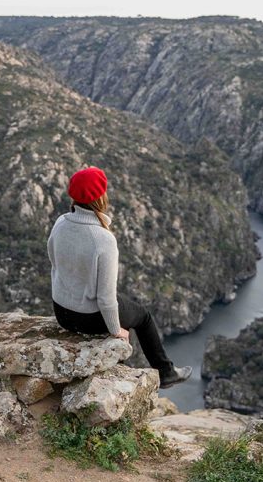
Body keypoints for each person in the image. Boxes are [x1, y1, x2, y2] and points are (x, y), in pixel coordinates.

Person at [48, 166, 192, 388]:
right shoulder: (103, 239)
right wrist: (116, 331)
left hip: (61, 312)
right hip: (89, 319)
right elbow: (105, 297)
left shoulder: (60, 223)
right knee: (143, 317)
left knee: (123, 306)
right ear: (101, 197)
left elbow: (55, 264)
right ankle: (166, 372)